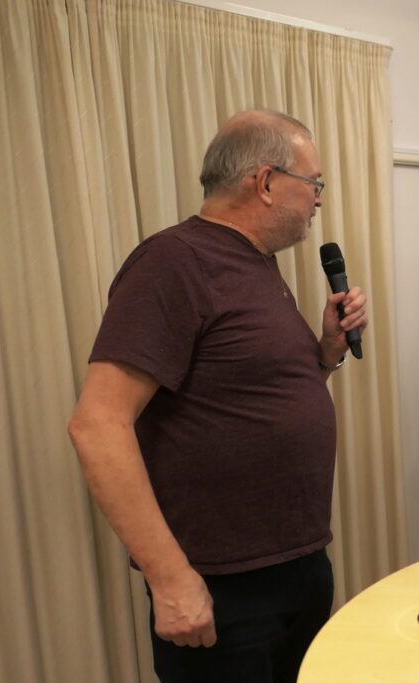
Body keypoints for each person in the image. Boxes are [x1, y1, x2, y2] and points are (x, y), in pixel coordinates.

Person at [67, 110, 367, 683]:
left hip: (296, 564)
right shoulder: (173, 262)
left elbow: (257, 398)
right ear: (266, 182)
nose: (319, 202)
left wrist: (327, 352)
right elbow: (97, 424)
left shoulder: (259, 265)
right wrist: (171, 580)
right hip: (224, 589)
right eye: (315, 185)